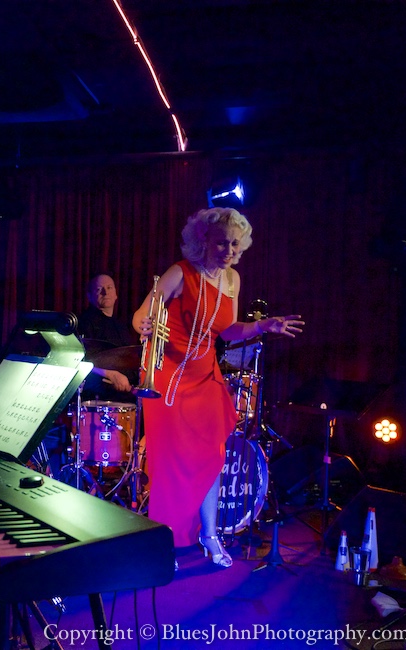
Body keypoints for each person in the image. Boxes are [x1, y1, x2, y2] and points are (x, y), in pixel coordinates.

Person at [132, 207, 303, 568]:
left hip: (206, 377)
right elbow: (141, 314)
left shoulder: (232, 280)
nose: (228, 250)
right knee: (169, 462)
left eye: (234, 244)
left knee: (213, 456)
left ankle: (209, 535)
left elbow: (227, 331)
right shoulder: (181, 272)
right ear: (204, 240)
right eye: (222, 242)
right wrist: (144, 325)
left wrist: (262, 326)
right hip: (169, 377)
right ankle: (163, 540)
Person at [77, 272, 140, 402]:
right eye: (99, 289)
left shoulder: (121, 326)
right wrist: (110, 374)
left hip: (123, 396)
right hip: (96, 397)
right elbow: (78, 362)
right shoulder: (83, 322)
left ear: (116, 294)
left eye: (109, 288)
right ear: (89, 296)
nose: (105, 292)